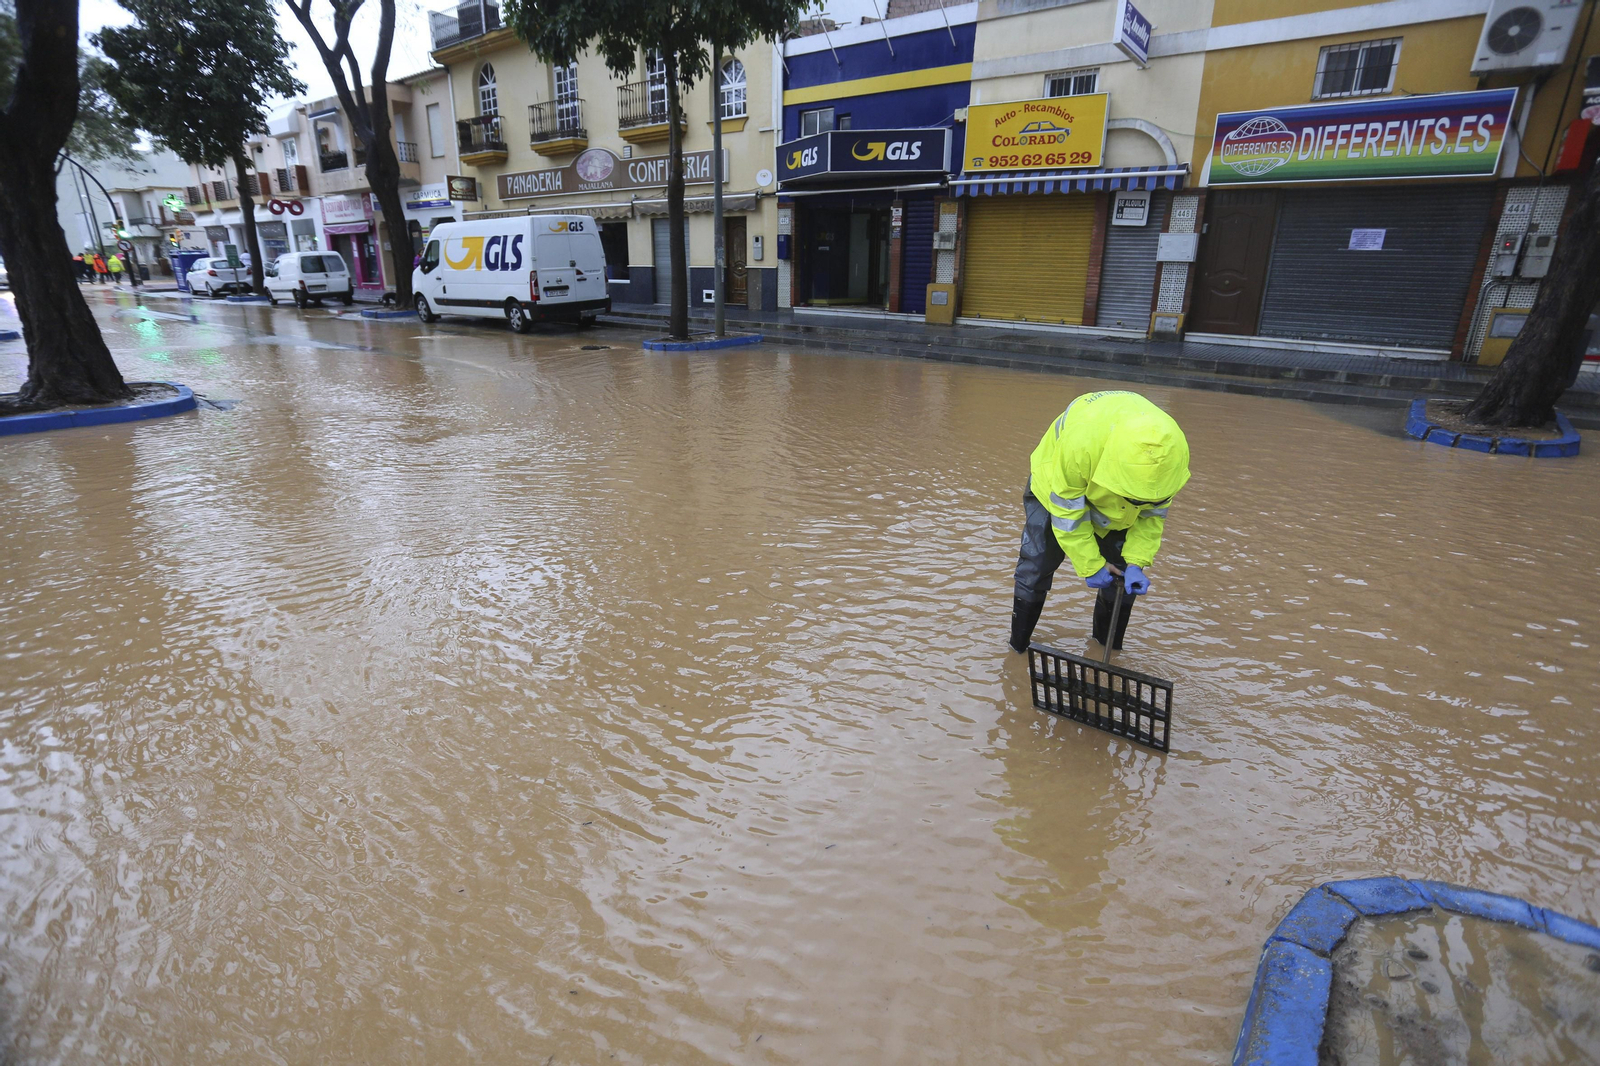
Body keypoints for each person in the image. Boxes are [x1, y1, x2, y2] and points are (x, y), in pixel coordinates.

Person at [1008, 390, 1191, 656]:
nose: (1142, 506)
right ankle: (1017, 647)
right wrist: (1090, 565)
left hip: (1116, 495)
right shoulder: (1081, 445)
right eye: (1134, 498)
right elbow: (1067, 514)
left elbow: (1152, 517)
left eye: (1144, 501)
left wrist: (1137, 562)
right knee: (1038, 563)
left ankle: (1107, 649)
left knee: (1121, 572)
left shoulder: (1171, 456)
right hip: (1057, 486)